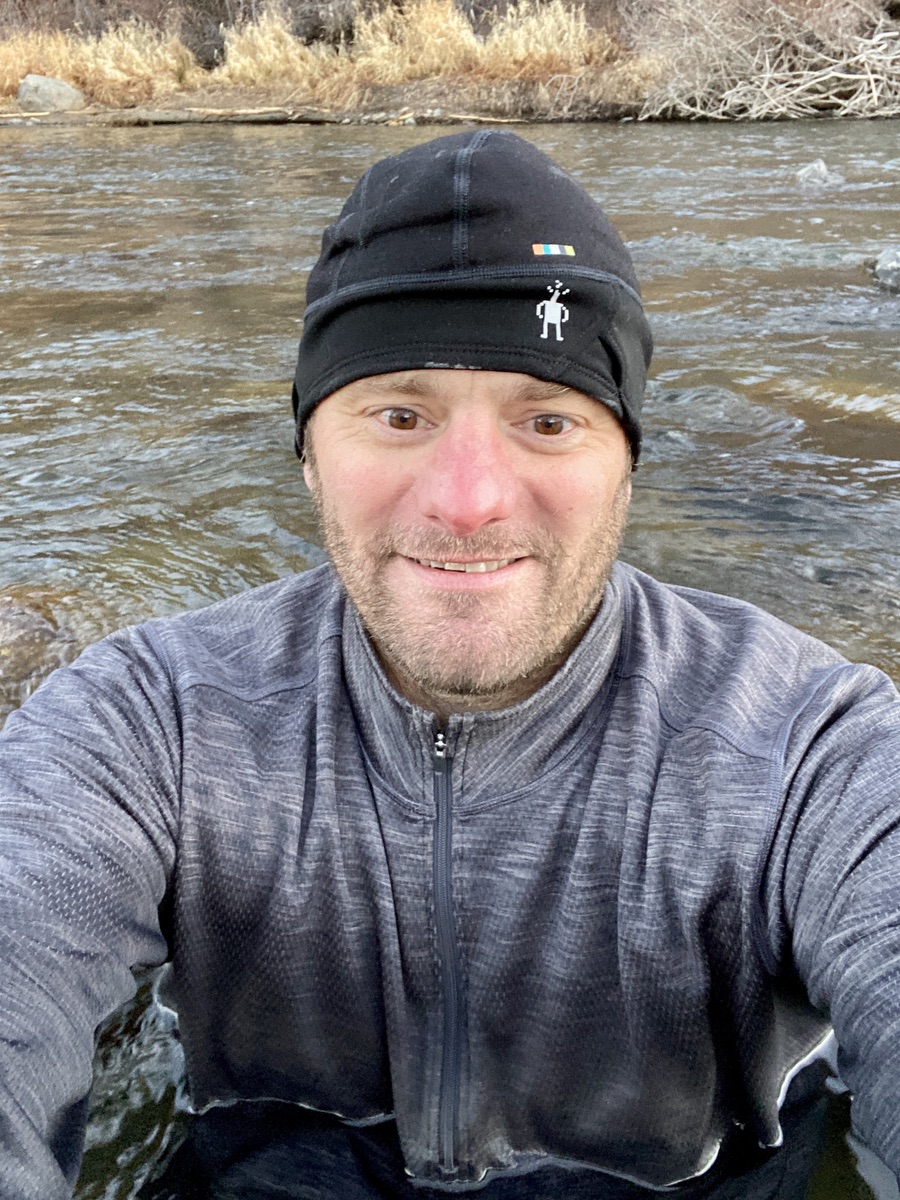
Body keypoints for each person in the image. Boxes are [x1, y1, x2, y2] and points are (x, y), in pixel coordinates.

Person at [0, 130, 898, 1200]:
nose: (468, 500)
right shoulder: (148, 723)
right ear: (307, 450)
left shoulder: (810, 749)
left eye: (549, 420)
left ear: (627, 458)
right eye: (399, 414)